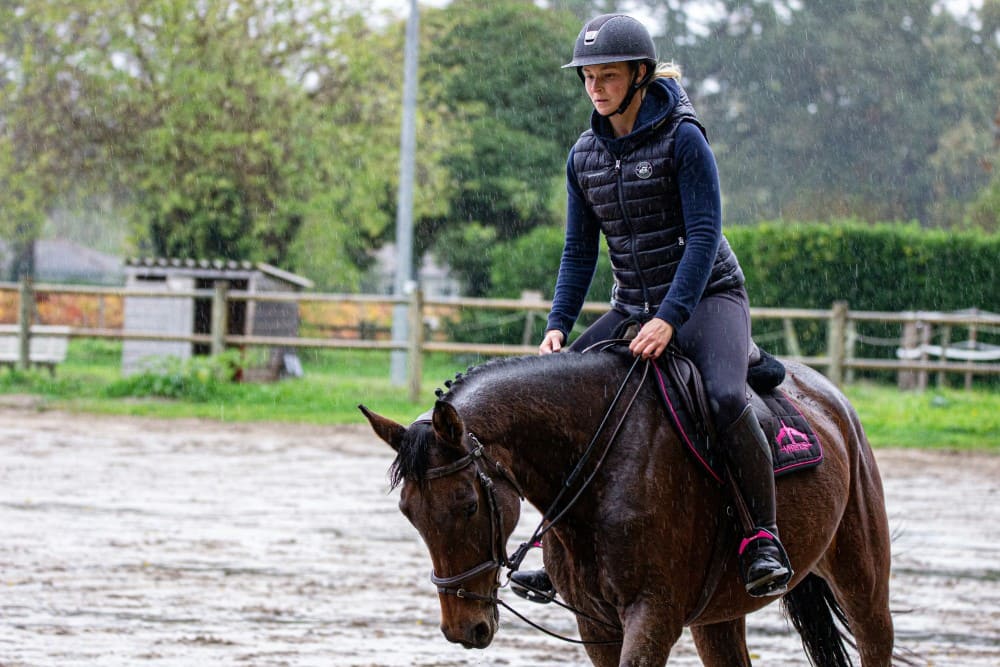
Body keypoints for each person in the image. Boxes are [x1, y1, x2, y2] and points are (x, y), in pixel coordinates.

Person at [510, 13, 793, 601]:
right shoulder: (583, 155)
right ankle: (553, 544)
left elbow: (705, 233)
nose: (595, 87)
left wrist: (669, 317)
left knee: (720, 396)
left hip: (708, 296)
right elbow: (578, 249)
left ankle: (761, 537)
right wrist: (558, 326)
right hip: (633, 305)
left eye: (607, 76)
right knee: (557, 394)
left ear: (640, 74)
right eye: (588, 77)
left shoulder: (685, 138)